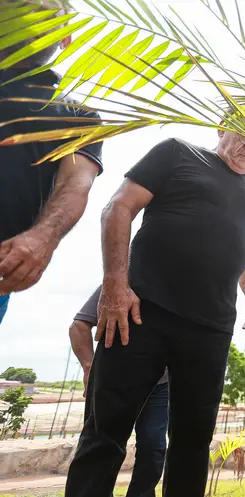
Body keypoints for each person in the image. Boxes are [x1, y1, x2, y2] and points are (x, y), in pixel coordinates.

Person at [47, 109, 245, 497]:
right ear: (223, 125)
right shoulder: (176, 153)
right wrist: (114, 285)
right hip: (139, 314)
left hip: (209, 331)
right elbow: (118, 207)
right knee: (104, 434)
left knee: (192, 441)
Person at [0, 0, 103, 323]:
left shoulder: (79, 114)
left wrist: (43, 238)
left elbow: (76, 183)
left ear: (66, 37)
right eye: (24, 6)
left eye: (49, 13)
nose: (34, 16)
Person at [70, 286, 168, 497]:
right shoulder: (124, 278)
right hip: (114, 381)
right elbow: (79, 325)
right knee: (105, 446)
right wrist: (90, 367)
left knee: (154, 446)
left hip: (160, 386)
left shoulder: (184, 288)